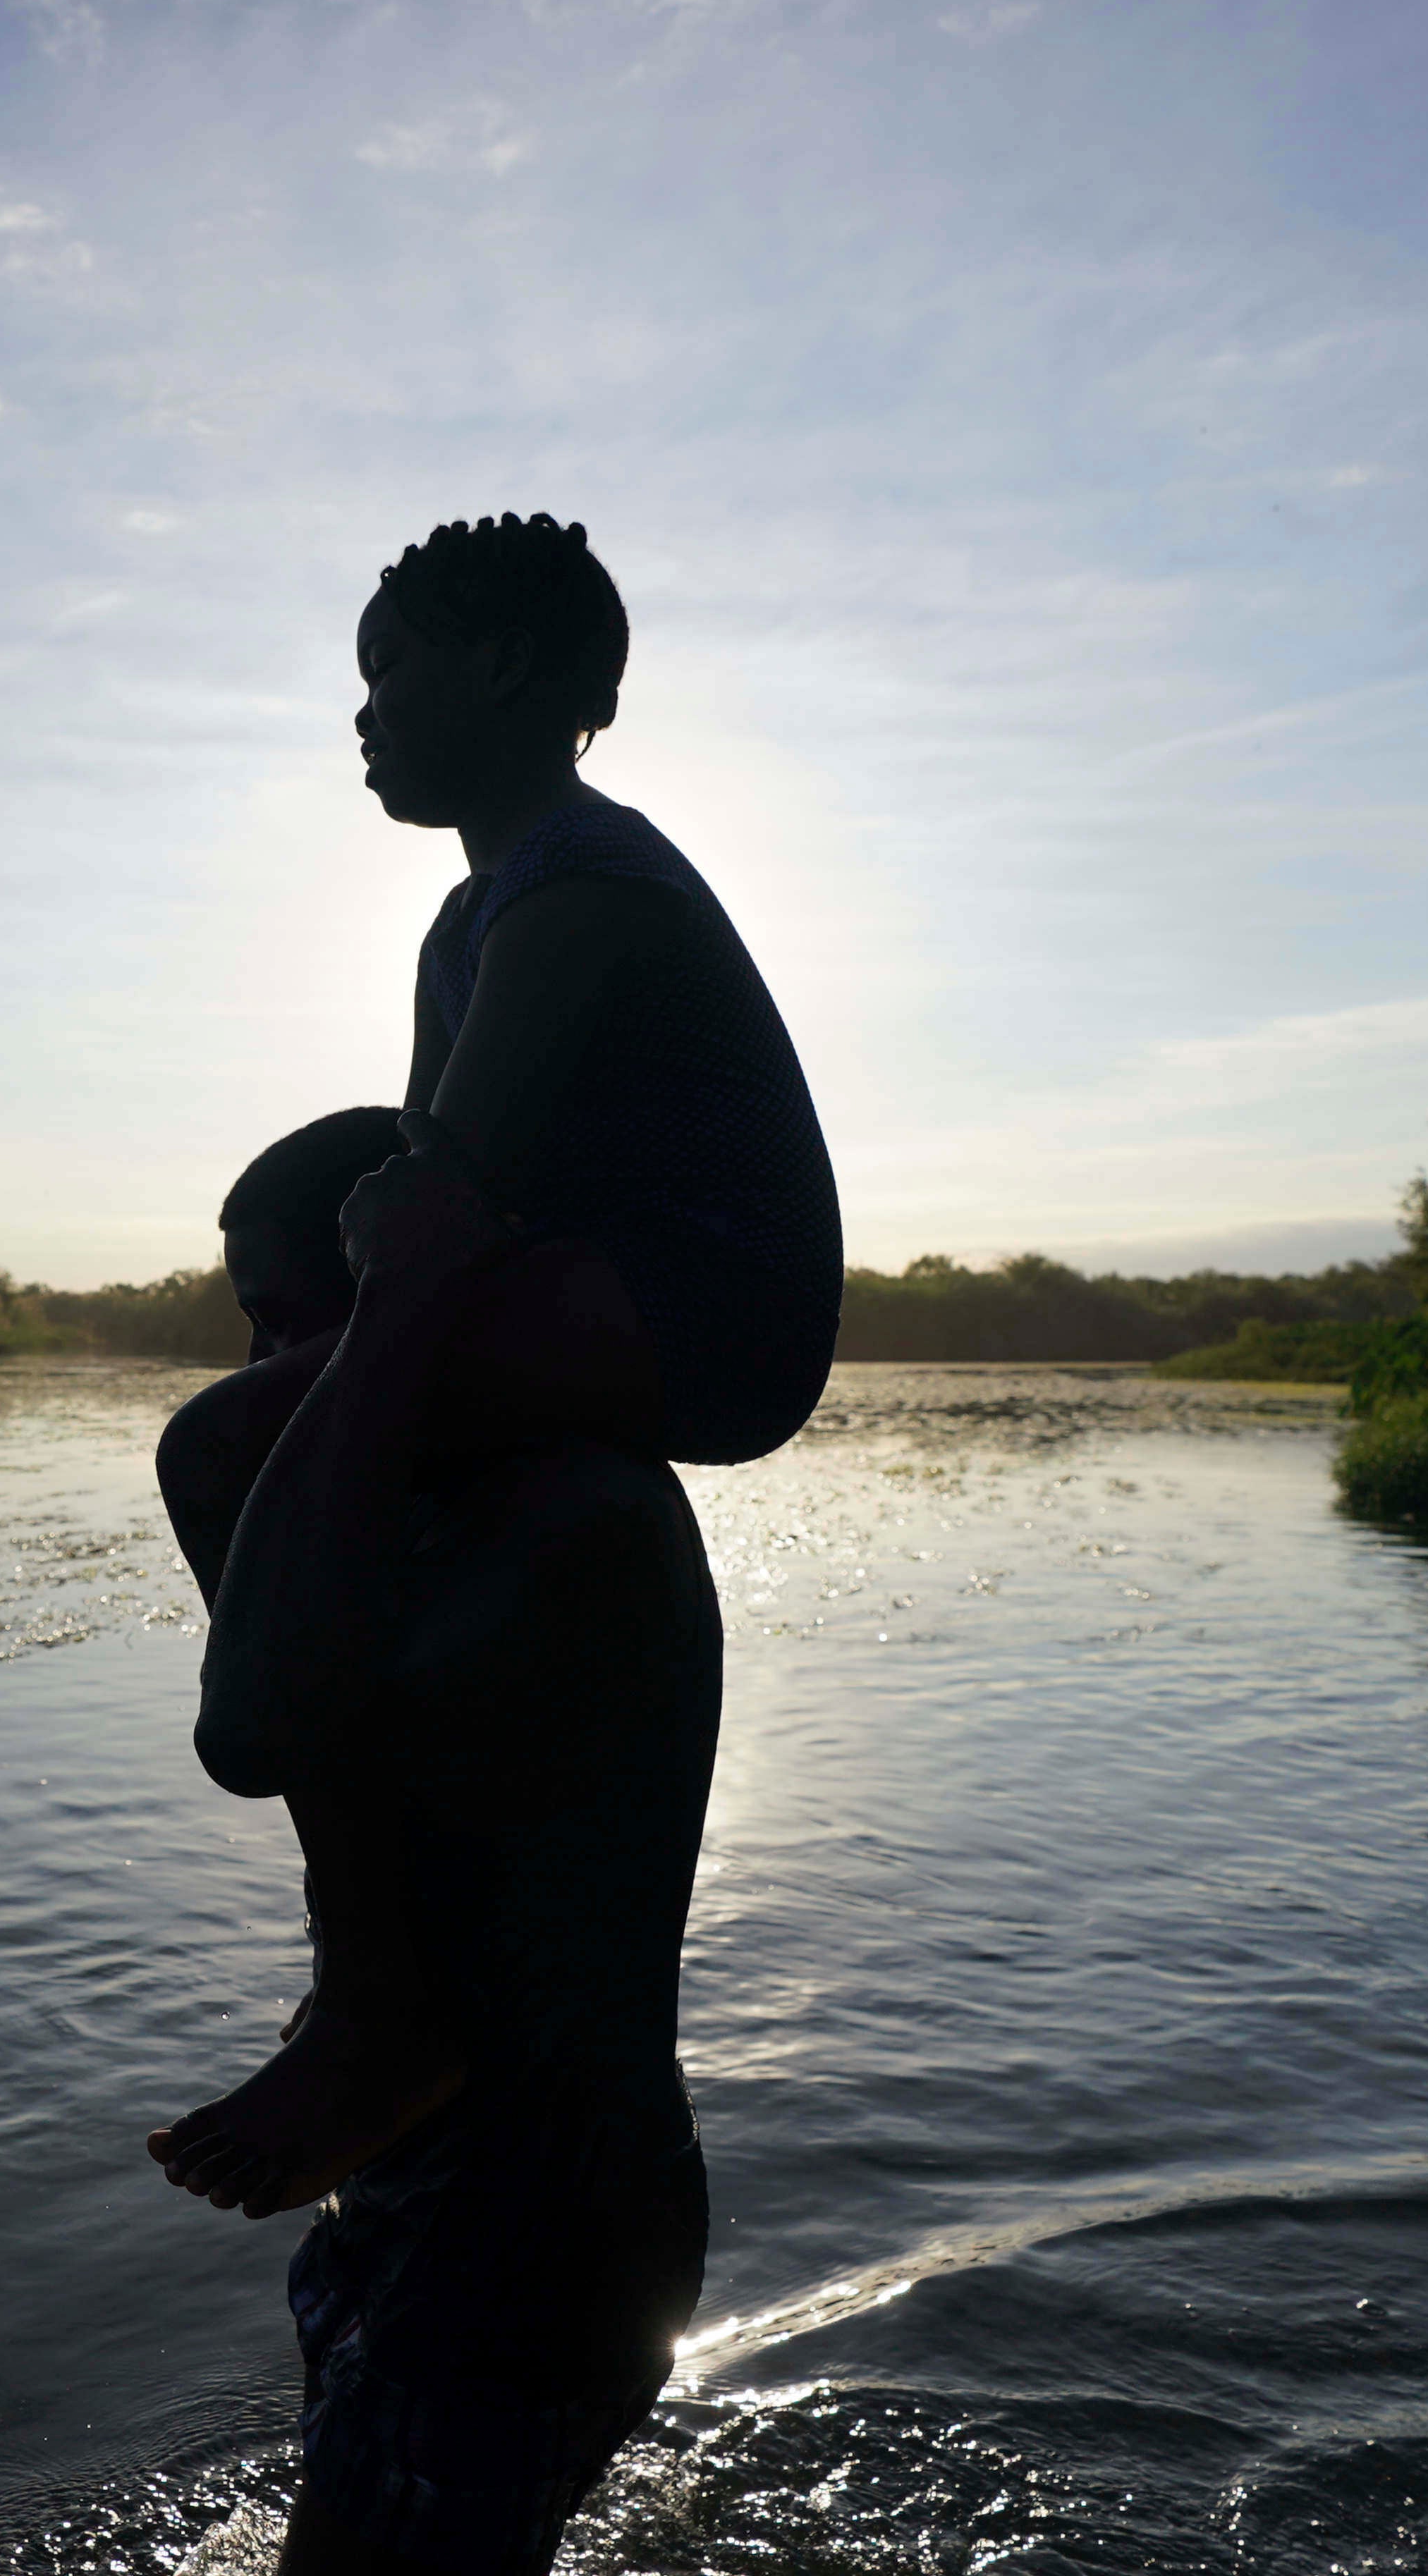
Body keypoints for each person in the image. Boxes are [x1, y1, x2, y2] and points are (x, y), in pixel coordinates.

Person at [149, 511, 841, 2223]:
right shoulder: (472, 919)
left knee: (223, 1456)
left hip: (695, 1312)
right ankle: (374, 1975)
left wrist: (303, 1409)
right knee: (282, 1412)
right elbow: (414, 1173)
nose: (365, 714)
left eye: (392, 672)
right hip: (573, 1289)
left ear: (510, 670)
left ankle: (384, 1999)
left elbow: (443, 1207)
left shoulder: (578, 891)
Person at [159, 1114, 724, 2576]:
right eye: (252, 1330)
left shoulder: (574, 1516)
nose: (258, 1368)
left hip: (538, 2224)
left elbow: (251, 1725)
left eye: (290, 1320)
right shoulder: (436, 1519)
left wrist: (383, 1329)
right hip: (435, 2195)